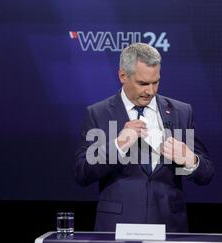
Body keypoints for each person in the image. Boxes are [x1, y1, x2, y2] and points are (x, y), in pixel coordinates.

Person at [75, 43, 214, 232]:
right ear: (123, 76)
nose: (151, 91)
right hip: (117, 228)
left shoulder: (181, 112)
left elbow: (206, 174)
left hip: (169, 226)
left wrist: (190, 160)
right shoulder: (98, 114)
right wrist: (118, 144)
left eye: (155, 82)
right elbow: (83, 173)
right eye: (143, 83)